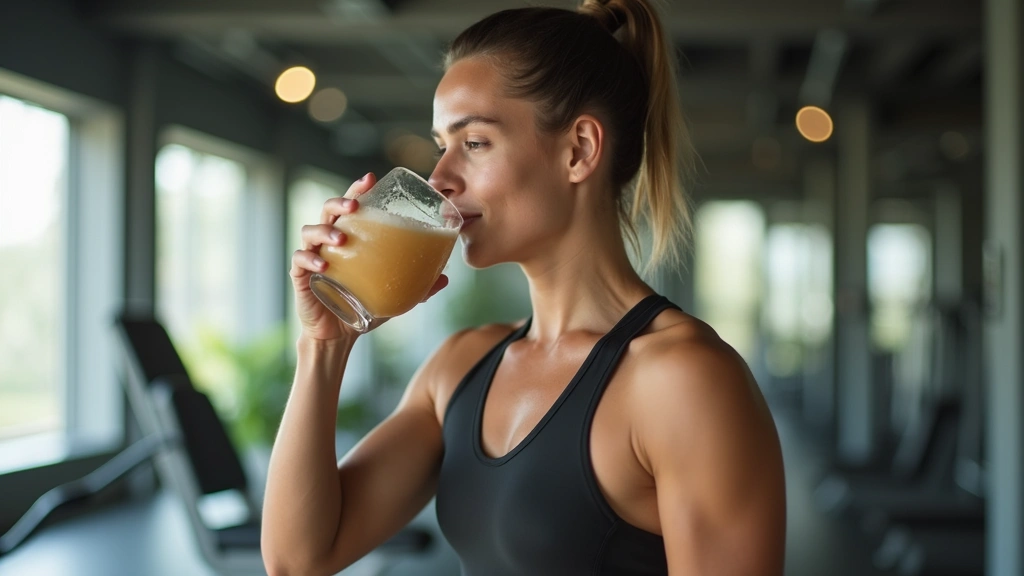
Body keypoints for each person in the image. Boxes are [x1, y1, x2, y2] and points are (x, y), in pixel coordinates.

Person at [262, 0, 786, 574]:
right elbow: (297, 559)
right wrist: (325, 346)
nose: (439, 179)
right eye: (442, 145)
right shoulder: (458, 367)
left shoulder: (683, 380)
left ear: (579, 150)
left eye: (476, 142)